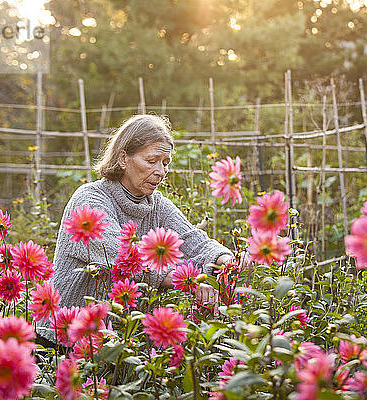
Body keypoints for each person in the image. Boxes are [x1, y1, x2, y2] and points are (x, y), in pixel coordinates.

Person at [37, 115, 235, 346]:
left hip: (117, 342)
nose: (161, 171)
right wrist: (187, 281)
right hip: (64, 337)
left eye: (166, 163)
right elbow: (123, 257)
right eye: (152, 160)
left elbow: (192, 240)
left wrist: (227, 260)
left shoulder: (156, 204)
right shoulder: (90, 198)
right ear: (123, 158)